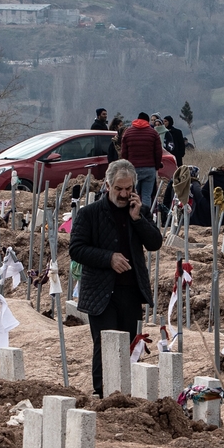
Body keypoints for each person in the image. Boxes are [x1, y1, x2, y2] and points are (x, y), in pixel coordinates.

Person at [70, 159, 164, 396]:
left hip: (130, 291)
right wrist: (108, 258)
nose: (123, 194)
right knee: (105, 344)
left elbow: (155, 243)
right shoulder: (89, 214)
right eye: (118, 189)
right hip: (100, 292)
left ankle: (125, 393)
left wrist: (137, 219)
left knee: (128, 344)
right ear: (108, 186)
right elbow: (76, 249)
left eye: (128, 189)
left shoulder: (139, 211)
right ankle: (103, 394)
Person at [117, 112, 169, 211]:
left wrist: (125, 167)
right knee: (146, 195)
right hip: (149, 168)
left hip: (132, 169)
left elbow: (124, 152)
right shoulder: (153, 133)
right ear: (147, 121)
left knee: (131, 193)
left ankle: (131, 214)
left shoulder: (128, 132)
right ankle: (145, 217)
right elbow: (158, 153)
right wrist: (156, 167)